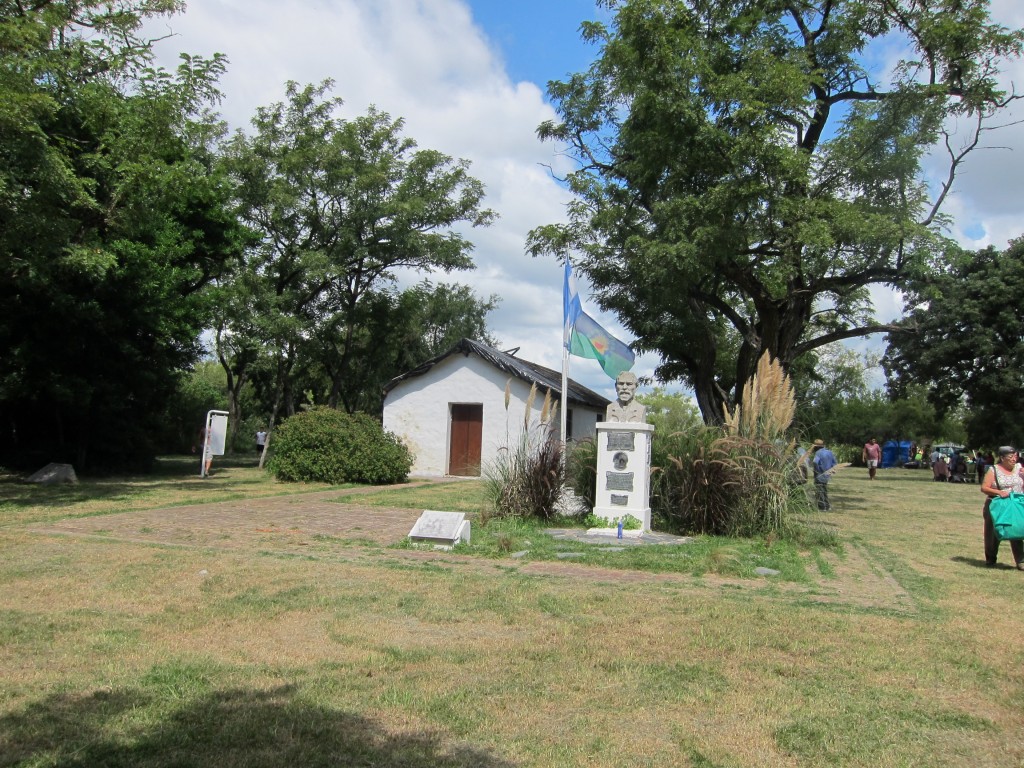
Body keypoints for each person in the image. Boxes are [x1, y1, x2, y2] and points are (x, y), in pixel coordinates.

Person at [980, 446, 1024, 570]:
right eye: (1010, 457)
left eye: (1015, 456)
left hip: (1015, 505)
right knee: (993, 532)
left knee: (1017, 531)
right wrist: (999, 492)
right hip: (997, 505)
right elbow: (984, 488)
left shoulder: (1020, 468)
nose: (1014, 459)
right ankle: (991, 559)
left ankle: (1021, 561)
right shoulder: (993, 470)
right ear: (1002, 458)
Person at [811, 438, 838, 511]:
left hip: (819, 474)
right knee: (824, 490)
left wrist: (816, 472)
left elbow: (815, 462)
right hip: (827, 475)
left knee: (819, 491)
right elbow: (835, 463)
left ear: (816, 447)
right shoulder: (830, 452)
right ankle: (827, 506)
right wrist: (831, 471)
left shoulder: (818, 453)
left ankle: (822, 507)